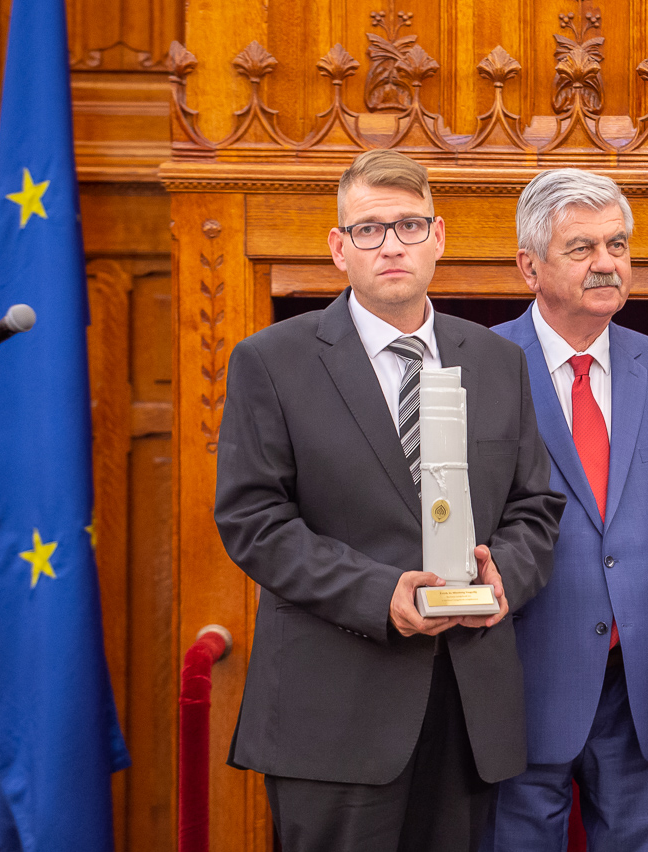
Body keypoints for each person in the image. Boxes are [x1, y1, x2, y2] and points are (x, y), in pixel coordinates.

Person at [213, 150, 566, 852]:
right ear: (339, 249)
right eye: (370, 230)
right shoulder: (273, 361)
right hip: (335, 716)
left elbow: (535, 507)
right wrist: (380, 594)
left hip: (468, 709)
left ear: (438, 237)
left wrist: (506, 577)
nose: (391, 246)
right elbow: (253, 521)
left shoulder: (497, 360)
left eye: (408, 226)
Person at [485, 168, 648, 852]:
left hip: (645, 695)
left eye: (618, 245)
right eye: (582, 248)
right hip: (516, 691)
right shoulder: (478, 368)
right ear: (528, 266)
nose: (606, 263)